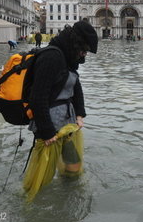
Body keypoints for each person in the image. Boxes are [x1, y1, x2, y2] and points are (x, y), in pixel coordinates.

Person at [28, 21, 98, 175]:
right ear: (76, 44)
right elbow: (38, 97)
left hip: (67, 122)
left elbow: (75, 86)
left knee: (73, 166)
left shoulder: (69, 58)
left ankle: (69, 194)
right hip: (48, 126)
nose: (85, 54)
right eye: (84, 50)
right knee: (43, 173)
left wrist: (79, 114)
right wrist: (47, 132)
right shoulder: (51, 57)